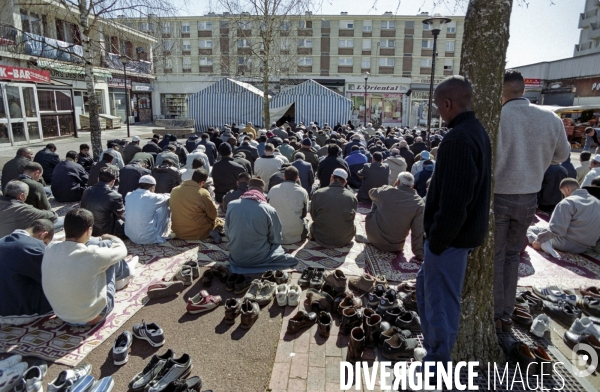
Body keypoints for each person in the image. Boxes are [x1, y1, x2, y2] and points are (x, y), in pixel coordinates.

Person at [417, 76, 491, 378]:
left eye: (438, 106)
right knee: (427, 291)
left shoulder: (458, 139)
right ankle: (434, 352)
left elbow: (455, 201)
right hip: (455, 237)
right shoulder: (473, 132)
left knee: (440, 303)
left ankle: (436, 368)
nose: (438, 112)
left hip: (450, 240)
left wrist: (437, 241)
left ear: (447, 104)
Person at [493, 70, 571, 332]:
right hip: (528, 197)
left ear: (500, 92)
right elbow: (562, 156)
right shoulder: (550, 118)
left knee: (495, 255)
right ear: (523, 90)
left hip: (499, 195)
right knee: (512, 255)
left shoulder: (495, 118)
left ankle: (494, 310)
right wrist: (535, 162)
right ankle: (504, 312)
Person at [42, 208, 134, 325]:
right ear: (89, 230)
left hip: (63, 316)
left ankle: (123, 275)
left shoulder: (50, 248)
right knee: (109, 253)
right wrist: (111, 237)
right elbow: (122, 250)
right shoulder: (93, 255)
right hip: (93, 317)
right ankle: (124, 276)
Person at [225, 178, 299, 273]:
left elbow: (227, 233)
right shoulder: (269, 209)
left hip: (236, 257)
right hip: (259, 256)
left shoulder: (231, 205)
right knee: (287, 256)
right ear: (262, 191)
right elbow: (275, 238)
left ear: (248, 189)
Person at [356, 172, 424, 257]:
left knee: (377, 200)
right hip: (396, 246)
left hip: (375, 238)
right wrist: (419, 252)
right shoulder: (419, 203)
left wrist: (387, 187)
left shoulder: (387, 191)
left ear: (397, 182)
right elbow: (417, 230)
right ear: (412, 186)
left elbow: (371, 193)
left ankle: (370, 238)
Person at [528, 178, 600, 255]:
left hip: (565, 244)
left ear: (566, 189)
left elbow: (556, 229)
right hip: (584, 247)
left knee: (527, 229)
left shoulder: (568, 202)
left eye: (563, 193)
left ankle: (542, 244)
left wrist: (538, 240)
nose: (564, 195)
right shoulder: (597, 202)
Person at [0, 219, 55, 321]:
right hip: (23, 311)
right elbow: (53, 279)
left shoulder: (2, 241)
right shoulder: (34, 247)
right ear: (43, 234)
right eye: (46, 243)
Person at [170, 168, 223, 242]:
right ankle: (213, 232)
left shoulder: (175, 190)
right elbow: (213, 214)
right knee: (218, 221)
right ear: (202, 182)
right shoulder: (202, 193)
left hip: (178, 231)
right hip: (198, 231)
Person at [310, 169, 357, 248]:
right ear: (345, 182)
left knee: (312, 225)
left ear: (331, 177)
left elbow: (314, 216)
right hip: (344, 238)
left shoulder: (318, 193)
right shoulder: (352, 196)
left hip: (321, 237)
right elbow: (352, 218)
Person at [125, 175, 171, 244]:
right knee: (165, 206)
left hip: (131, 237)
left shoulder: (128, 195)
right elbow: (168, 197)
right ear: (152, 187)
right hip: (148, 238)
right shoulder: (153, 197)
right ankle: (159, 235)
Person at [268, 167, 309, 244]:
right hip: (295, 235)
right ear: (297, 178)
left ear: (284, 177)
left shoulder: (273, 189)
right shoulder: (303, 192)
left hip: (274, 233)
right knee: (306, 222)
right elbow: (304, 214)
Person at [80, 167, 125, 236]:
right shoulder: (115, 196)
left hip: (86, 230)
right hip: (104, 232)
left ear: (98, 179)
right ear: (113, 182)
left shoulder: (87, 190)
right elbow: (122, 215)